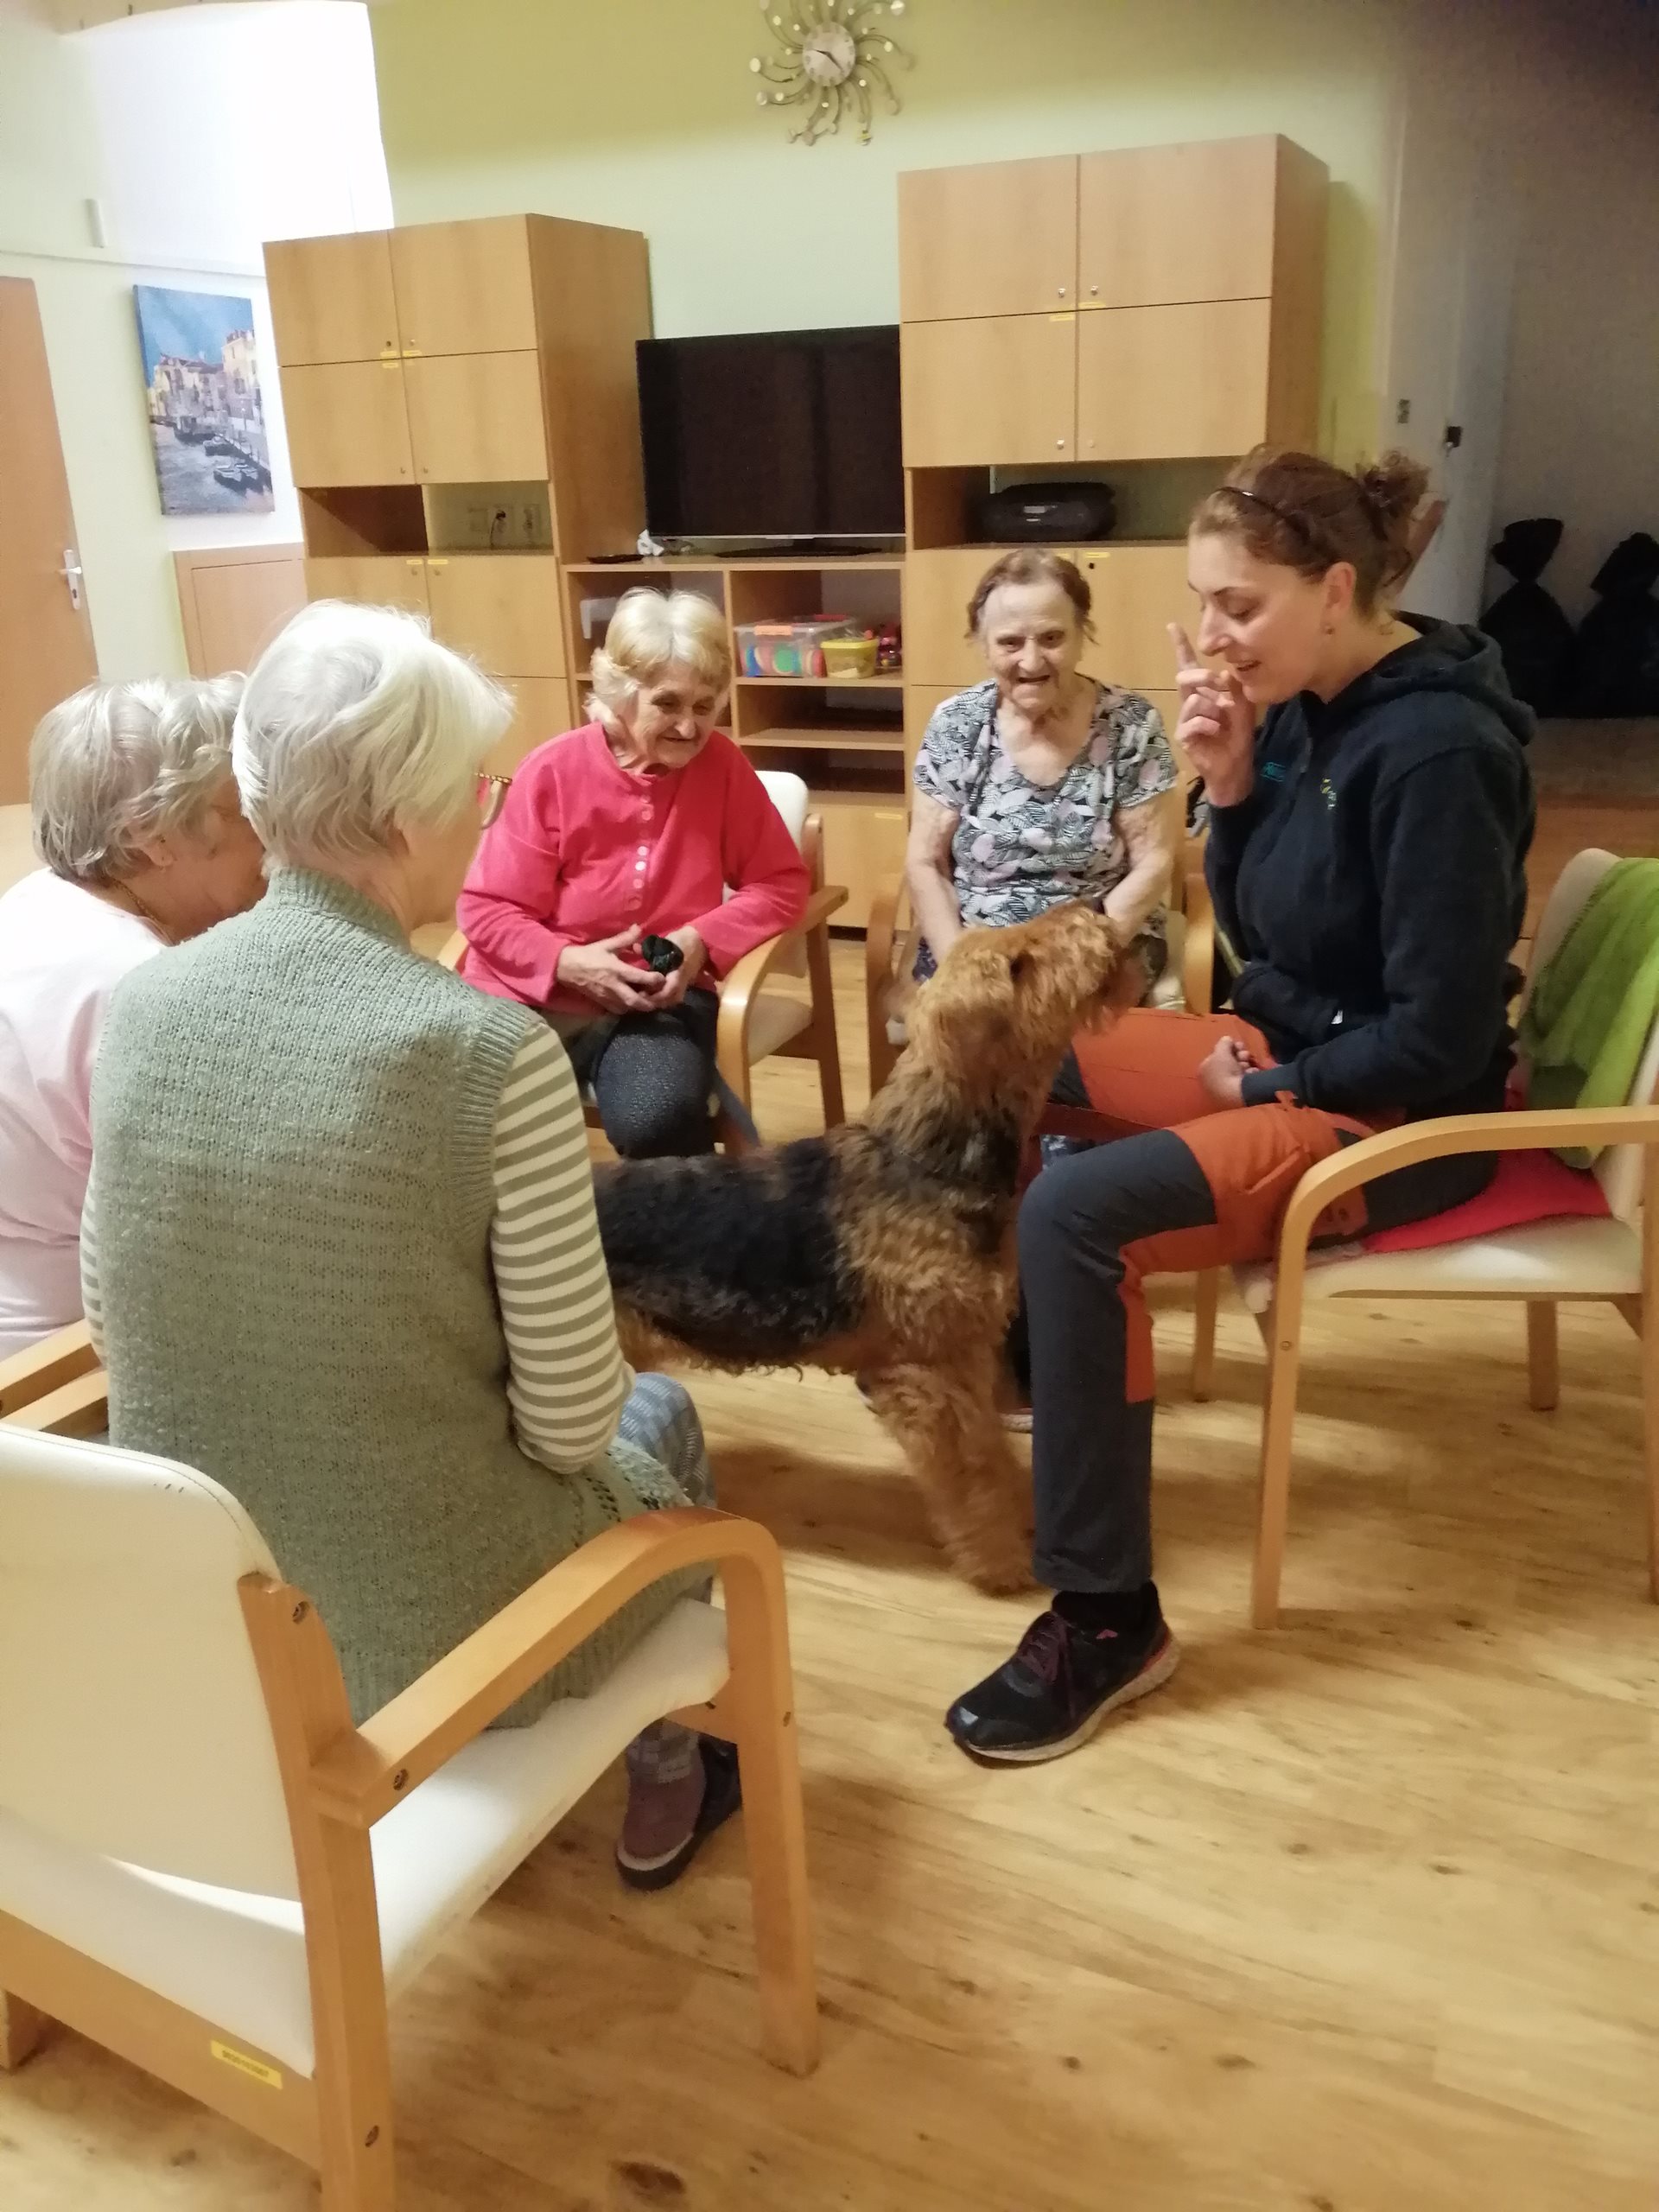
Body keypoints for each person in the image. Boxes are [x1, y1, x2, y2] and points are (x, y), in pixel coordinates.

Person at [84, 602, 737, 1888]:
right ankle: (681, 1754)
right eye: (474, 793)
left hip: (208, 1596)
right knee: (656, 1416)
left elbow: (116, 1319)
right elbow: (569, 1427)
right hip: (438, 1635)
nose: (487, 815)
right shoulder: (487, 1051)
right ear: (399, 823)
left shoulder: (141, 1004)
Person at [945, 448, 1535, 1765]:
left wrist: (1273, 1081)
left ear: (1335, 590)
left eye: (1240, 605)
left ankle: (1107, 1619)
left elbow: (1437, 1035)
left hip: (1398, 1120)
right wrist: (1228, 789)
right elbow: (1269, 945)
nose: (1211, 637)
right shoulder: (1314, 701)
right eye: (1202, 602)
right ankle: (1061, 1386)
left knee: (1077, 1214)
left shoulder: (1439, 753)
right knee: (1014, 1063)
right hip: (1303, 1053)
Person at [456, 588, 810, 1157]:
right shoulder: (552, 771)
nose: (690, 728)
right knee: (451, 1110)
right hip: (526, 997)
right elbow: (486, 907)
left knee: (657, 1118)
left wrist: (700, 939)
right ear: (621, 694)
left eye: (705, 706)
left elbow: (781, 883)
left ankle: (682, 1216)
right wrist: (566, 962)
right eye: (668, 704)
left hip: (655, 1003)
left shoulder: (722, 769)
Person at [0, 677, 264, 1358]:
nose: (273, 840)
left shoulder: (37, 899)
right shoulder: (139, 987)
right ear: (151, 836)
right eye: (248, 810)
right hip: (65, 1358)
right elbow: (229, 1226)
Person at [906, 548, 1179, 1019]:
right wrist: (959, 967)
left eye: (1052, 638)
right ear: (983, 645)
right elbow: (925, 862)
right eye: (1010, 643)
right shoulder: (957, 723)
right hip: (979, 942)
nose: (1032, 661)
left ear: (1081, 635)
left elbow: (1154, 861)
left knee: (1052, 1032)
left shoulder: (1130, 724)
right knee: (964, 1032)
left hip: (1100, 938)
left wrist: (1076, 958)